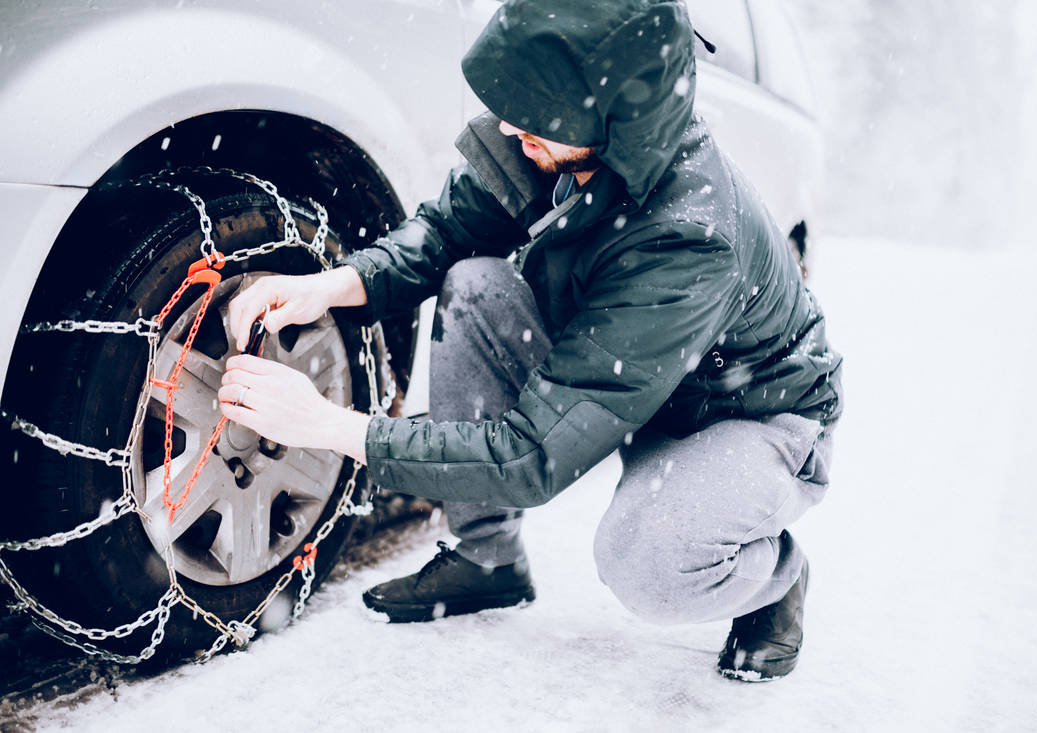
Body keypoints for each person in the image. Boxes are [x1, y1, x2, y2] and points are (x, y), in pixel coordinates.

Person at [219, 0, 842, 682]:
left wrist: (326, 425)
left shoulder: (687, 235)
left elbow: (531, 453)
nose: (512, 125)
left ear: (612, 116)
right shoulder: (560, 136)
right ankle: (488, 558)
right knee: (476, 284)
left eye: (536, 114)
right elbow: (447, 231)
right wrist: (334, 284)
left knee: (646, 562)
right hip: (643, 383)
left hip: (748, 416)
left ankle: (777, 579)